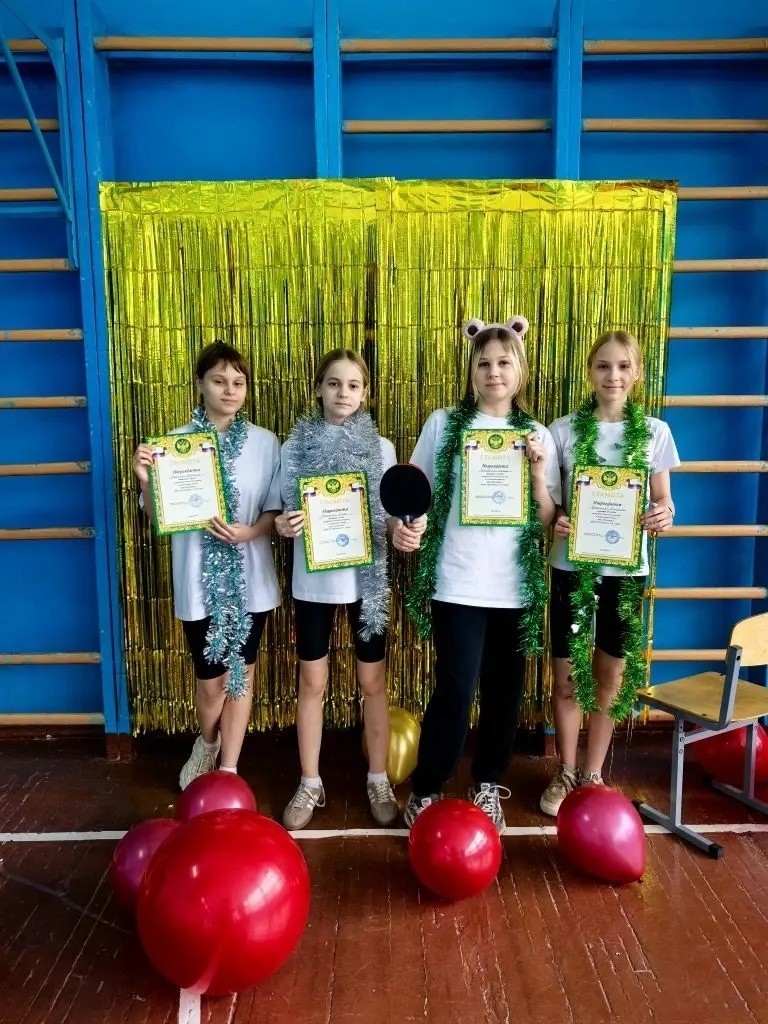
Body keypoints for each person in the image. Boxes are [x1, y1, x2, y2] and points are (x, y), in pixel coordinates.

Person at [402, 317, 560, 833]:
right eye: (484, 363)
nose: (494, 372)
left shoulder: (537, 434)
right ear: (471, 370)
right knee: (454, 687)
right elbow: (416, 495)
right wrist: (406, 527)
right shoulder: (444, 424)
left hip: (514, 586)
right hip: (458, 580)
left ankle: (487, 783)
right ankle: (427, 787)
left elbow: (546, 519)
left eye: (504, 362)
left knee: (503, 693)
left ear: (520, 370)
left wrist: (537, 472)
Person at [276, 348, 424, 829]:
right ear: (318, 388)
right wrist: (283, 525)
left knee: (372, 682)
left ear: (365, 393)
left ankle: (378, 777)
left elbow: (388, 517)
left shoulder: (381, 448)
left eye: (353, 385)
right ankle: (309, 781)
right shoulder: (293, 446)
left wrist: (399, 533)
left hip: (367, 583)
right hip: (313, 584)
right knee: (312, 683)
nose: (343, 393)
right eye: (334, 383)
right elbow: (280, 513)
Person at [539, 329, 680, 816]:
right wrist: (558, 519)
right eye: (603, 366)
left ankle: (593, 772)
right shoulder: (562, 431)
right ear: (590, 372)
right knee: (565, 676)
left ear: (636, 372)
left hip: (625, 571)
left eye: (623, 366)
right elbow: (551, 504)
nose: (613, 375)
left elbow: (663, 499)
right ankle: (565, 768)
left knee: (611, 673)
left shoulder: (655, 432)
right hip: (571, 567)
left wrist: (665, 513)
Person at [132, 340, 281, 789]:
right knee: (211, 683)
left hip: (251, 577)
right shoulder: (174, 444)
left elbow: (273, 511)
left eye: (238, 382)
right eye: (219, 380)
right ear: (200, 384)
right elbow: (159, 519)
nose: (230, 390)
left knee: (242, 677)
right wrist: (145, 480)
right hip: (197, 580)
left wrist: (249, 532)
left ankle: (229, 769)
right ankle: (208, 742)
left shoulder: (265, 443)